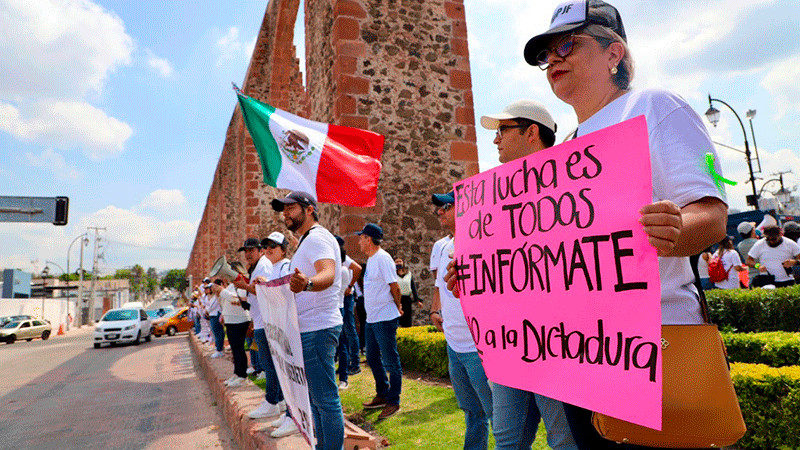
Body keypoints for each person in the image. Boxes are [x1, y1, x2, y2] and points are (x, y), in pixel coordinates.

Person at [517, 1, 729, 447]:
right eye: (546, 54)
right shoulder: (564, 150)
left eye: (568, 44)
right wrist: (485, 278)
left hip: (653, 347)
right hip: (577, 355)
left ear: (614, 54)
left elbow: (711, 216)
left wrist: (676, 228)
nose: (554, 59)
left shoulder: (654, 106)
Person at [475, 99, 576, 449]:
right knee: (506, 439)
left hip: (558, 340)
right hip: (509, 338)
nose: (495, 139)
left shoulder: (572, 186)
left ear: (531, 133)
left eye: (503, 130)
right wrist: (470, 273)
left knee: (564, 440)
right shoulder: (492, 199)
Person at [271, 191, 344, 449]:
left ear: (309, 209)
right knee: (315, 399)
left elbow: (329, 273)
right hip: (310, 328)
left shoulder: (317, 238)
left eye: (290, 208)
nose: (285, 214)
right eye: (284, 210)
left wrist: (308, 283)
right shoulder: (307, 241)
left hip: (318, 328)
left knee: (325, 399)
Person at [430, 190, 494, 450]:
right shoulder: (444, 245)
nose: (439, 212)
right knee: (471, 412)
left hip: (476, 345)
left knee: (497, 416)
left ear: (461, 208)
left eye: (445, 207)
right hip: (454, 343)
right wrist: (435, 311)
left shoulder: (480, 241)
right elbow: (439, 286)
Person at [233, 237, 287, 420]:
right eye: (246, 251)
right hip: (260, 319)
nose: (248, 254)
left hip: (266, 320)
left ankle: (271, 402)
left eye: (251, 250)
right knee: (270, 364)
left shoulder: (263, 266)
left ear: (260, 251)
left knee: (269, 365)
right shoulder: (258, 266)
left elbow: (265, 291)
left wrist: (244, 286)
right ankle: (278, 400)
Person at [358, 223, 403, 420]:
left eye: (361, 237)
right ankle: (383, 393)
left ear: (369, 239)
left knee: (391, 361)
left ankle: (393, 401)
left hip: (384, 318)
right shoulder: (371, 260)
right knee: (373, 358)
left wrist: (398, 306)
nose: (359, 241)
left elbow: (395, 287)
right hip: (372, 318)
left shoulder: (383, 258)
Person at [260, 231, 298, 438]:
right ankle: (288, 414)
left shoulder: (285, 266)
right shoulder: (274, 268)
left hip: (286, 326)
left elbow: (285, 293)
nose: (268, 250)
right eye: (266, 246)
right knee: (283, 371)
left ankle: (293, 418)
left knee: (291, 374)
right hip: (278, 327)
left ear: (283, 249)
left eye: (272, 247)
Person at [211, 277, 251, 388]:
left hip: (239, 320)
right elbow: (225, 303)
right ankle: (237, 373)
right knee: (235, 349)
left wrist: (222, 291)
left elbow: (238, 300)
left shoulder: (240, 286)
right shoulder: (230, 286)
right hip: (231, 320)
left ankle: (242, 376)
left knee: (239, 349)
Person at [395, 258, 422, 327]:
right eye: (396, 262)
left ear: (403, 263)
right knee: (397, 320)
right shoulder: (393, 274)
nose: (398, 263)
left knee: (407, 320)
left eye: (400, 261)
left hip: (407, 299)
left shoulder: (408, 274)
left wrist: (417, 300)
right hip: (396, 300)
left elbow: (413, 287)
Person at [736, 221, 759, 287]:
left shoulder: (740, 245)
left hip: (751, 275)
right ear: (752, 231)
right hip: (762, 274)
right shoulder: (759, 243)